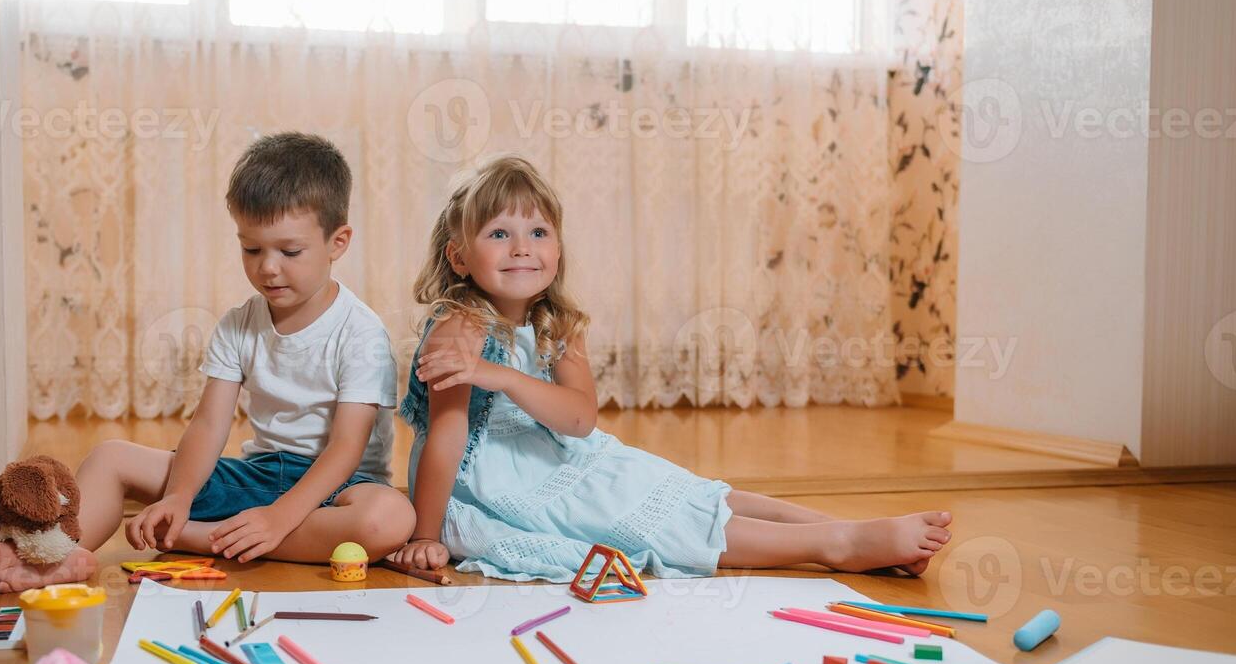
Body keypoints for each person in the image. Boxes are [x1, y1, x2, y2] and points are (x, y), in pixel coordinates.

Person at [389, 155, 951, 581]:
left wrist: (505, 377)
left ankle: (835, 526)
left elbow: (581, 420)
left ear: (558, 246)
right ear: (460, 256)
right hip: (488, 483)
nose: (521, 248)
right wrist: (426, 535)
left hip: (559, 453)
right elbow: (446, 435)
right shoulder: (460, 324)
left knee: (679, 489)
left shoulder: (556, 320)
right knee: (649, 520)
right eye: (498, 234)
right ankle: (837, 547)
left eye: (538, 232)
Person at [0, 133, 415, 592]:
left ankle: (197, 539)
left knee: (387, 519)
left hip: (339, 487)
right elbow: (208, 425)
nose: (268, 268)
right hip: (261, 474)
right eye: (252, 249)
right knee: (110, 457)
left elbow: (346, 448)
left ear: (338, 242)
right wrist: (179, 496)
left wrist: (278, 518)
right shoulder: (238, 324)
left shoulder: (361, 332)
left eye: (289, 252)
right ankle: (56, 557)